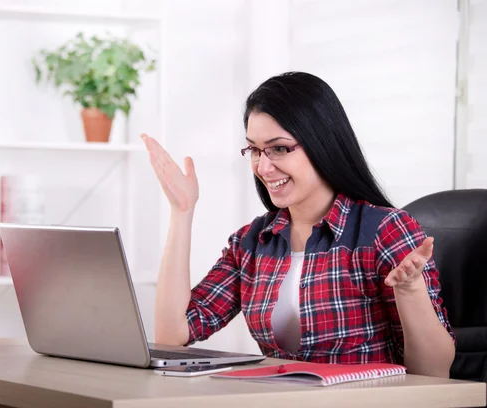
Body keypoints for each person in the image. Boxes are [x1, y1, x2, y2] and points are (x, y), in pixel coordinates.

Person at [140, 71, 455, 378]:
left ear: (323, 144)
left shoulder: (383, 230)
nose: (263, 167)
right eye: (254, 150)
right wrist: (182, 211)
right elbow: (172, 337)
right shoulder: (251, 243)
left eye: (279, 148)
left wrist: (410, 289)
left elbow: (433, 372)